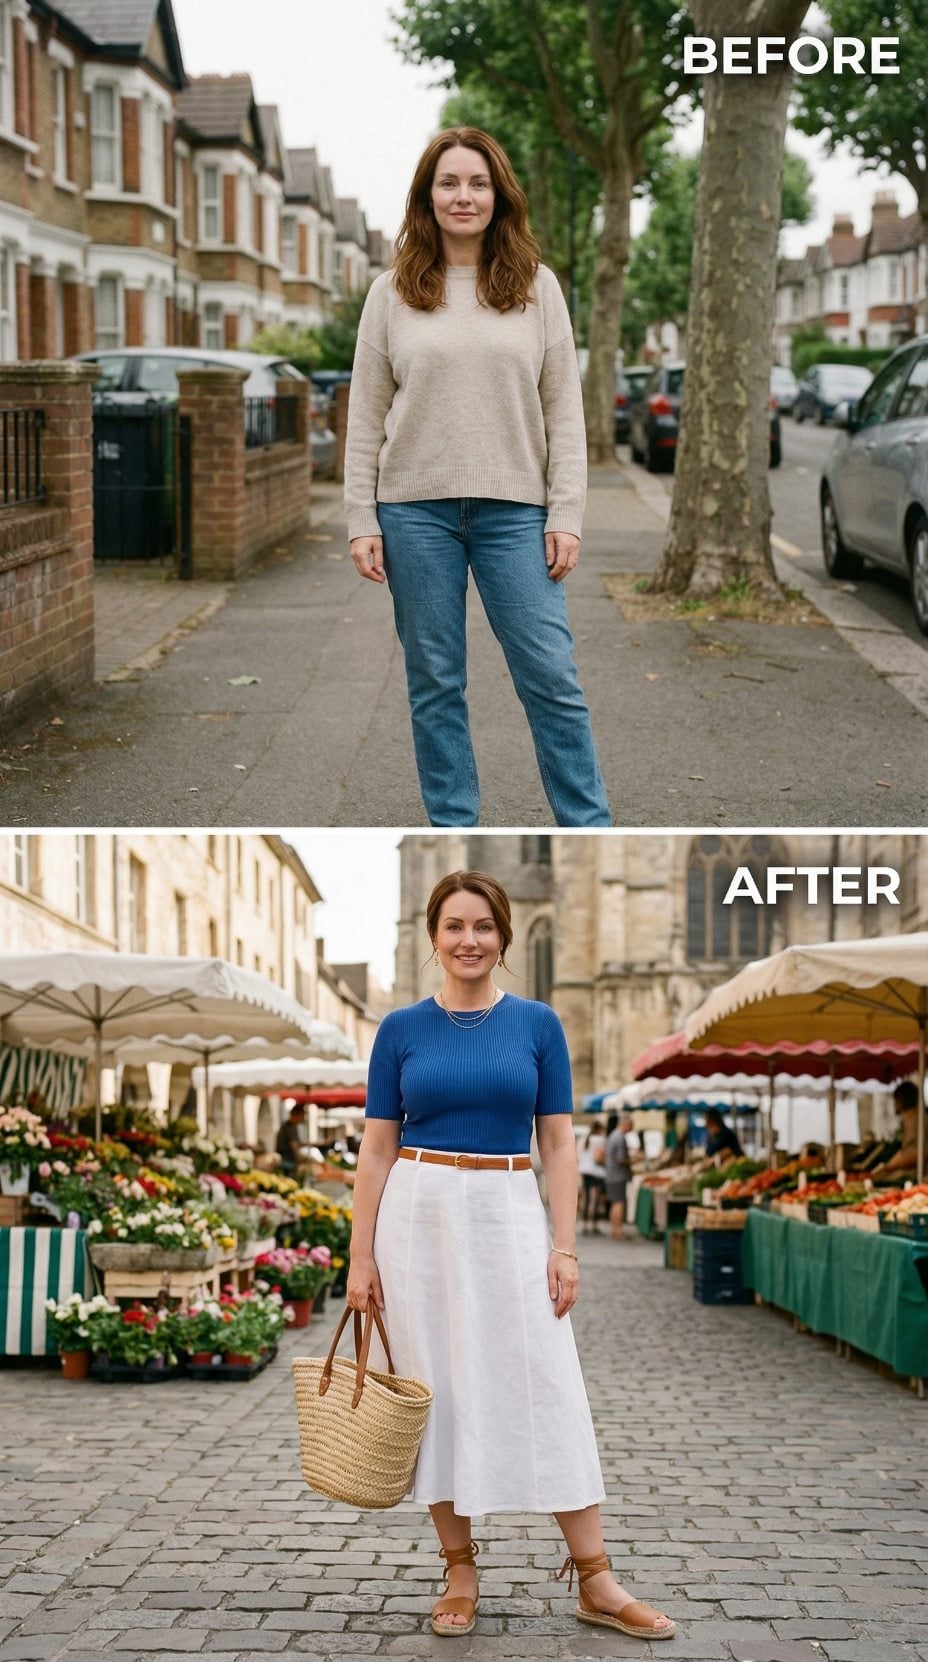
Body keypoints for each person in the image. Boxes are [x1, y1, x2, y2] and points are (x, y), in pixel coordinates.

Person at [347, 870, 674, 1641]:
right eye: (454, 926)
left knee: (546, 1379)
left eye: (483, 927)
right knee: (435, 1387)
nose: (469, 940)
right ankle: (458, 1568)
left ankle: (596, 1578)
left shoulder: (538, 1024)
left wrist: (565, 1246)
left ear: (504, 936)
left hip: (506, 1207)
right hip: (417, 1216)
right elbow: (375, 1150)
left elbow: (557, 1142)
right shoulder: (399, 1030)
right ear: (433, 938)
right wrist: (360, 1259)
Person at [344, 126, 611, 830]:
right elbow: (366, 415)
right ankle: (453, 824)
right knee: (435, 684)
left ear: (499, 196)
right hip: (413, 512)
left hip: (516, 512)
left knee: (551, 677)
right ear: (427, 197)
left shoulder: (537, 289)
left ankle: (588, 826)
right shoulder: (391, 293)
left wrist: (567, 513)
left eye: (477, 183)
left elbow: (565, 410)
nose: (464, 196)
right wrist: (361, 520)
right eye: (449, 183)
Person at [871, 1081, 922, 1178]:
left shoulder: (917, 1120)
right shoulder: (911, 1119)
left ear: (901, 1100)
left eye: (895, 1100)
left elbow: (915, 1152)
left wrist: (888, 1167)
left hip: (916, 1174)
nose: (895, 1104)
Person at [604, 1112, 634, 1239]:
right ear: (626, 1124)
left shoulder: (612, 1135)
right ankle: (618, 1230)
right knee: (619, 1203)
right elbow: (621, 1159)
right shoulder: (620, 1137)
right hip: (618, 1175)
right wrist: (632, 1161)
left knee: (614, 1202)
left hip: (610, 1173)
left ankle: (614, 1229)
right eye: (631, 1125)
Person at [577, 1120, 607, 1235]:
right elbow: (599, 1158)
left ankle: (585, 1225)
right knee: (594, 1200)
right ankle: (593, 1225)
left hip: (584, 1171)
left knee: (586, 1198)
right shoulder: (600, 1140)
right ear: (600, 1129)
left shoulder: (584, 1139)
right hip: (596, 1172)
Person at [275, 1104, 306, 1176]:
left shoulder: (290, 1126)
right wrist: (303, 1159)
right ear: (296, 1115)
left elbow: (297, 1143)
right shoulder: (289, 1127)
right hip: (287, 1162)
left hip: (287, 1161)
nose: (303, 1118)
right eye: (302, 1115)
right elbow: (294, 1146)